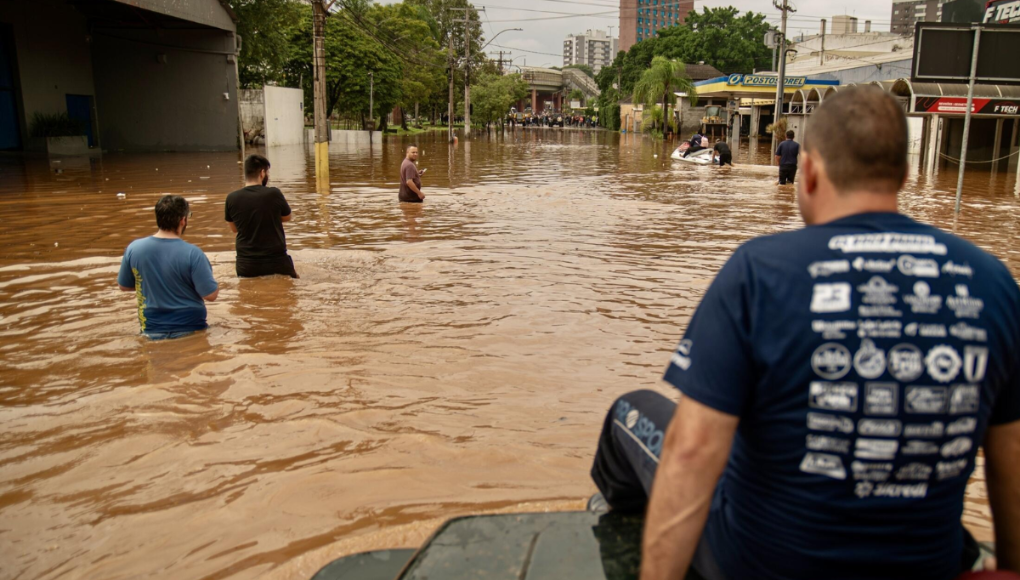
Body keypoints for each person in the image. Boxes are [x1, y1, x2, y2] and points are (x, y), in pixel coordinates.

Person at [588, 86, 1020, 580]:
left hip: (757, 563)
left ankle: (615, 522)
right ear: (902, 176)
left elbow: (692, 451)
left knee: (631, 410)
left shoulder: (760, 270)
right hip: (926, 563)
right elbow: (1012, 457)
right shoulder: (991, 280)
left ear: (808, 172)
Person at [117, 195, 219, 340]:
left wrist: (153, 283)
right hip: (191, 328)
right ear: (183, 220)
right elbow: (211, 295)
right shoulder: (193, 253)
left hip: (151, 328)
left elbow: (124, 286)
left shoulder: (134, 248)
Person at [224, 154, 297, 278]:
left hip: (246, 265)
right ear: (262, 173)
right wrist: (267, 216)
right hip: (276, 262)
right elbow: (287, 217)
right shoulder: (274, 193)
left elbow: (234, 229)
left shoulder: (231, 198)